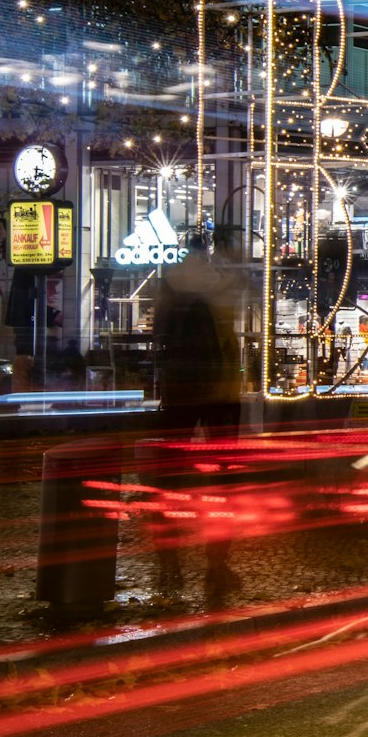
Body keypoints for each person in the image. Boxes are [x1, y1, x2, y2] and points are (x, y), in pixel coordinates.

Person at [147, 229, 246, 599]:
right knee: (222, 483)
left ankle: (168, 563)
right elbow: (229, 337)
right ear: (208, 252)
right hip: (220, 393)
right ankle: (216, 565)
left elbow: (159, 338)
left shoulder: (168, 286)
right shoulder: (219, 286)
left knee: (168, 479)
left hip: (179, 392)